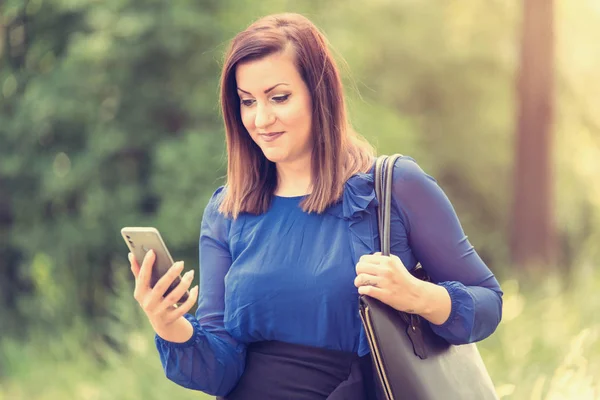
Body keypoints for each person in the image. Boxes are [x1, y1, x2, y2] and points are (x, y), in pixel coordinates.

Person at [128, 12, 503, 400]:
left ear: (319, 93)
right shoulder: (227, 212)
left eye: (279, 97)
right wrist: (170, 324)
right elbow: (220, 372)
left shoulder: (395, 187)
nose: (261, 118)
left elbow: (488, 303)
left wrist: (419, 297)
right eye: (247, 102)